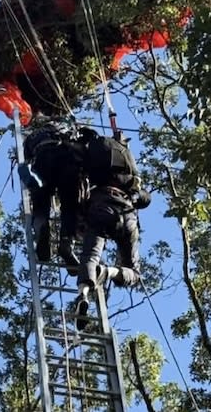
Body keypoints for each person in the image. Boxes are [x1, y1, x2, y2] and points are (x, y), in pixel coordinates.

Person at [74, 130, 151, 330]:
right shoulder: (129, 171)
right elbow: (145, 198)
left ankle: (83, 293)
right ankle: (108, 272)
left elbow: (78, 180)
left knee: (91, 254)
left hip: (101, 206)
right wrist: (134, 196)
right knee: (134, 273)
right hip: (127, 214)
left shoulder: (93, 159)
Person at [21, 120, 86, 268]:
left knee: (41, 203)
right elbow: (79, 144)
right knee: (69, 205)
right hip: (65, 159)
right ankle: (66, 243)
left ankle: (41, 226)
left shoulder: (32, 137)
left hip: (41, 160)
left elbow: (26, 159)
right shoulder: (63, 129)